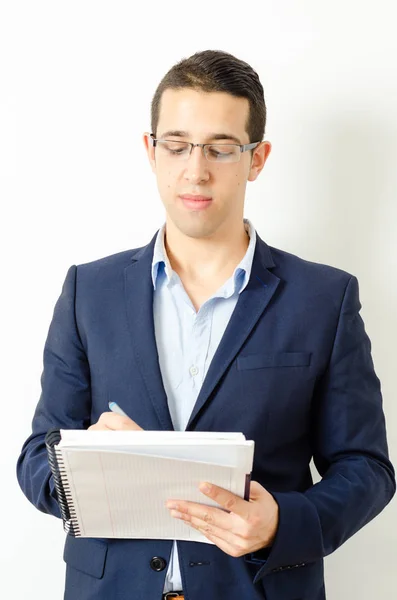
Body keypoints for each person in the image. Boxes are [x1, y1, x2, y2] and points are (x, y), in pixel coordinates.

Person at [17, 49, 395, 600]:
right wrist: (83, 465)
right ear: (151, 152)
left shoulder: (324, 299)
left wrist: (281, 523)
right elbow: (36, 458)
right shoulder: (87, 292)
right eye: (177, 146)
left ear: (257, 158)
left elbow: (366, 468)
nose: (195, 170)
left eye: (220, 149)